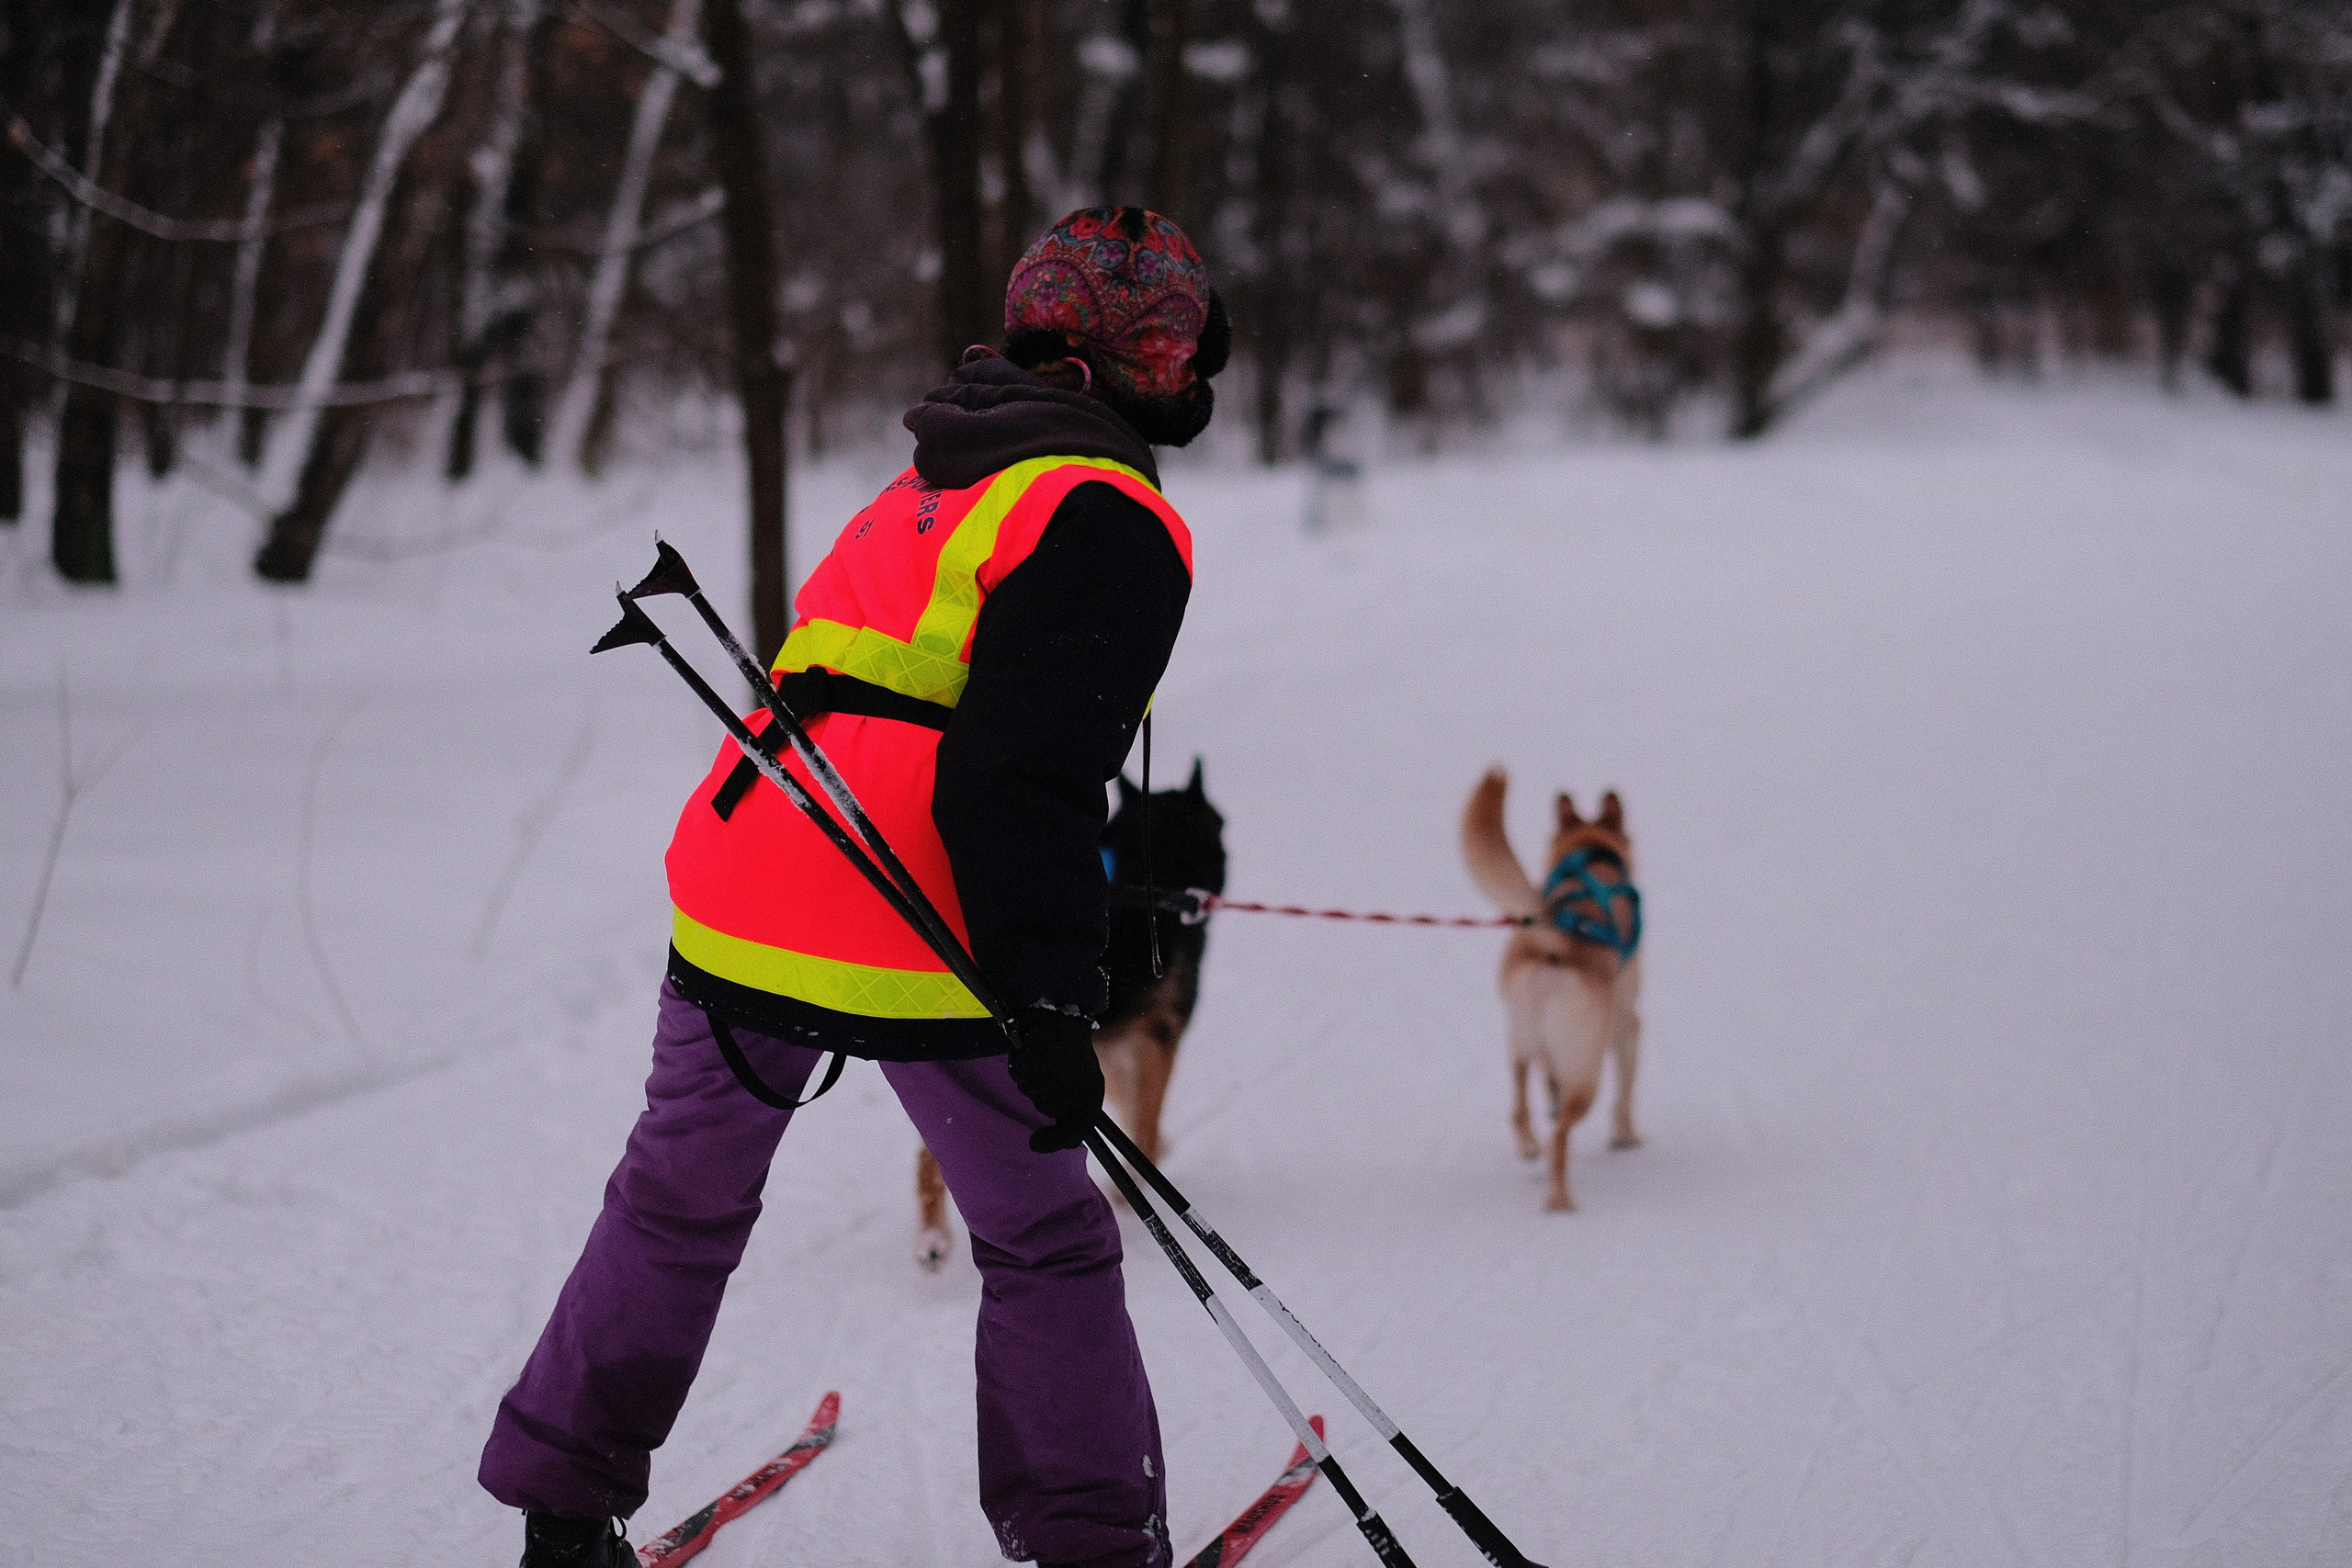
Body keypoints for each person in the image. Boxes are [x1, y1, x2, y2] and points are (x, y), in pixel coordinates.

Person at [479, 206, 1227, 1568]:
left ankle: (563, 1516)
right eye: (1174, 349)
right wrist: (1054, 996)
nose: (1192, 376)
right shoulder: (1106, 512)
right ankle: (1093, 1546)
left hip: (740, 880)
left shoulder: (933, 477)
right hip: (917, 915)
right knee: (1047, 1238)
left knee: (675, 1201)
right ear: (1109, 363)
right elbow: (1021, 775)